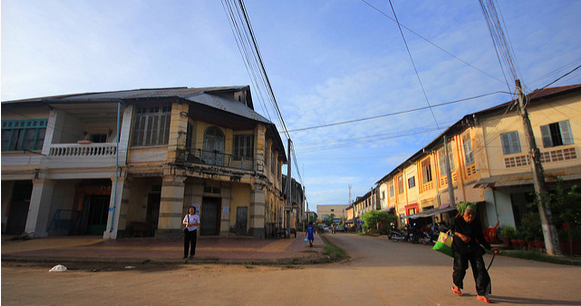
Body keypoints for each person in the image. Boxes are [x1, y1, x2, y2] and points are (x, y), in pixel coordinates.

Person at [451, 202, 501, 303]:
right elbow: (452, 231)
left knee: (480, 269)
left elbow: (480, 237)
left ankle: (481, 294)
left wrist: (490, 248)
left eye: (473, 214)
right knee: (460, 268)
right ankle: (457, 286)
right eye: (468, 214)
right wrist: (461, 236)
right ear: (462, 213)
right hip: (460, 247)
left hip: (473, 247)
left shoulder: (477, 222)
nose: (471, 216)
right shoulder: (456, 220)